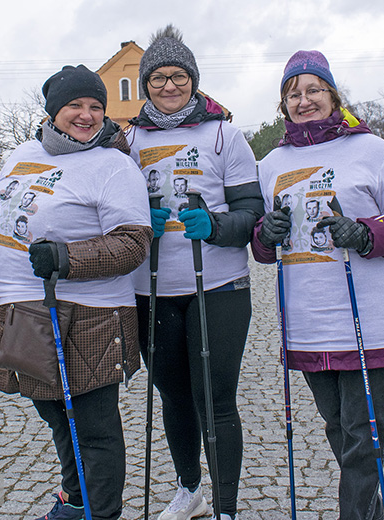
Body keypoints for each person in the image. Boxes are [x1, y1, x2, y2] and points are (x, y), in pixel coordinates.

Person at [251, 50, 384, 520]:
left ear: (333, 95)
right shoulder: (270, 163)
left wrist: (367, 232)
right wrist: (264, 236)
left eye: (313, 90)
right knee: (340, 431)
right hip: (308, 322)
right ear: (283, 105)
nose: (303, 100)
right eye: (293, 94)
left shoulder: (372, 150)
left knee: (361, 440)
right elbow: (262, 243)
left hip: (368, 319)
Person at [0, 64, 152, 520]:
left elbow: (133, 242)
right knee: (53, 411)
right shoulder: (20, 154)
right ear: (53, 111)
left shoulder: (113, 165)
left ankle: (99, 512)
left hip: (90, 313)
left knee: (93, 425)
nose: (87, 115)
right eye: (75, 105)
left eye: (95, 106)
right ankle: (76, 494)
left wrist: (68, 258)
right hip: (22, 308)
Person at [127, 24, 263, 520]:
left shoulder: (224, 133)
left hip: (219, 285)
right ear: (145, 84)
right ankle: (190, 491)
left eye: (178, 76)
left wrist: (218, 225)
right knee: (173, 395)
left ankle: (227, 506)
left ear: (194, 80)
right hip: (153, 288)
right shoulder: (128, 139)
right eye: (158, 77)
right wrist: (142, 218)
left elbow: (253, 212)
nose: (168, 86)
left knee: (216, 398)